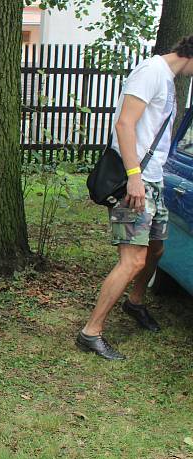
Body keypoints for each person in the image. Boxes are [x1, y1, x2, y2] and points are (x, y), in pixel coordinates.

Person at [76, 36, 193, 361]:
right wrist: (134, 177)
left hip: (151, 179)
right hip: (136, 181)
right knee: (133, 260)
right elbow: (125, 124)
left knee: (157, 249)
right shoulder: (151, 71)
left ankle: (135, 302)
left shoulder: (167, 79)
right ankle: (91, 332)